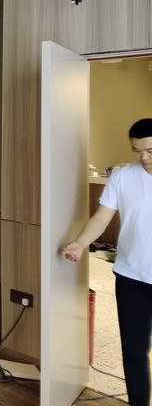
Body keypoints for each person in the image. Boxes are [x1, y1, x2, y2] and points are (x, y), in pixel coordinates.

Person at [61, 118, 152, 406]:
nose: (143, 157)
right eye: (136, 150)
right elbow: (101, 218)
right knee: (134, 350)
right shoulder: (123, 177)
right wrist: (80, 243)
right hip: (131, 276)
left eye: (150, 151)